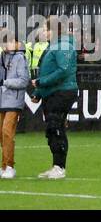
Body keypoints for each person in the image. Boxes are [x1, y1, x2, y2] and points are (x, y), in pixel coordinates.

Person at [32, 22, 78, 180]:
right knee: (53, 128)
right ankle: (57, 166)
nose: (43, 32)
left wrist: (41, 83)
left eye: (46, 29)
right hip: (53, 92)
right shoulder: (55, 46)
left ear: (55, 31)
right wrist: (38, 92)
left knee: (55, 126)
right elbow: (50, 70)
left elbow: (62, 70)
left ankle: (59, 167)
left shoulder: (63, 46)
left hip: (61, 92)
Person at [0, 34, 30, 179]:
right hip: (2, 100)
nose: (7, 45)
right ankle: (4, 165)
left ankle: (9, 166)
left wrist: (5, 82)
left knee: (7, 132)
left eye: (10, 42)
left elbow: (24, 81)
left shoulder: (20, 58)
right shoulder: (2, 57)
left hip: (13, 101)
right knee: (2, 134)